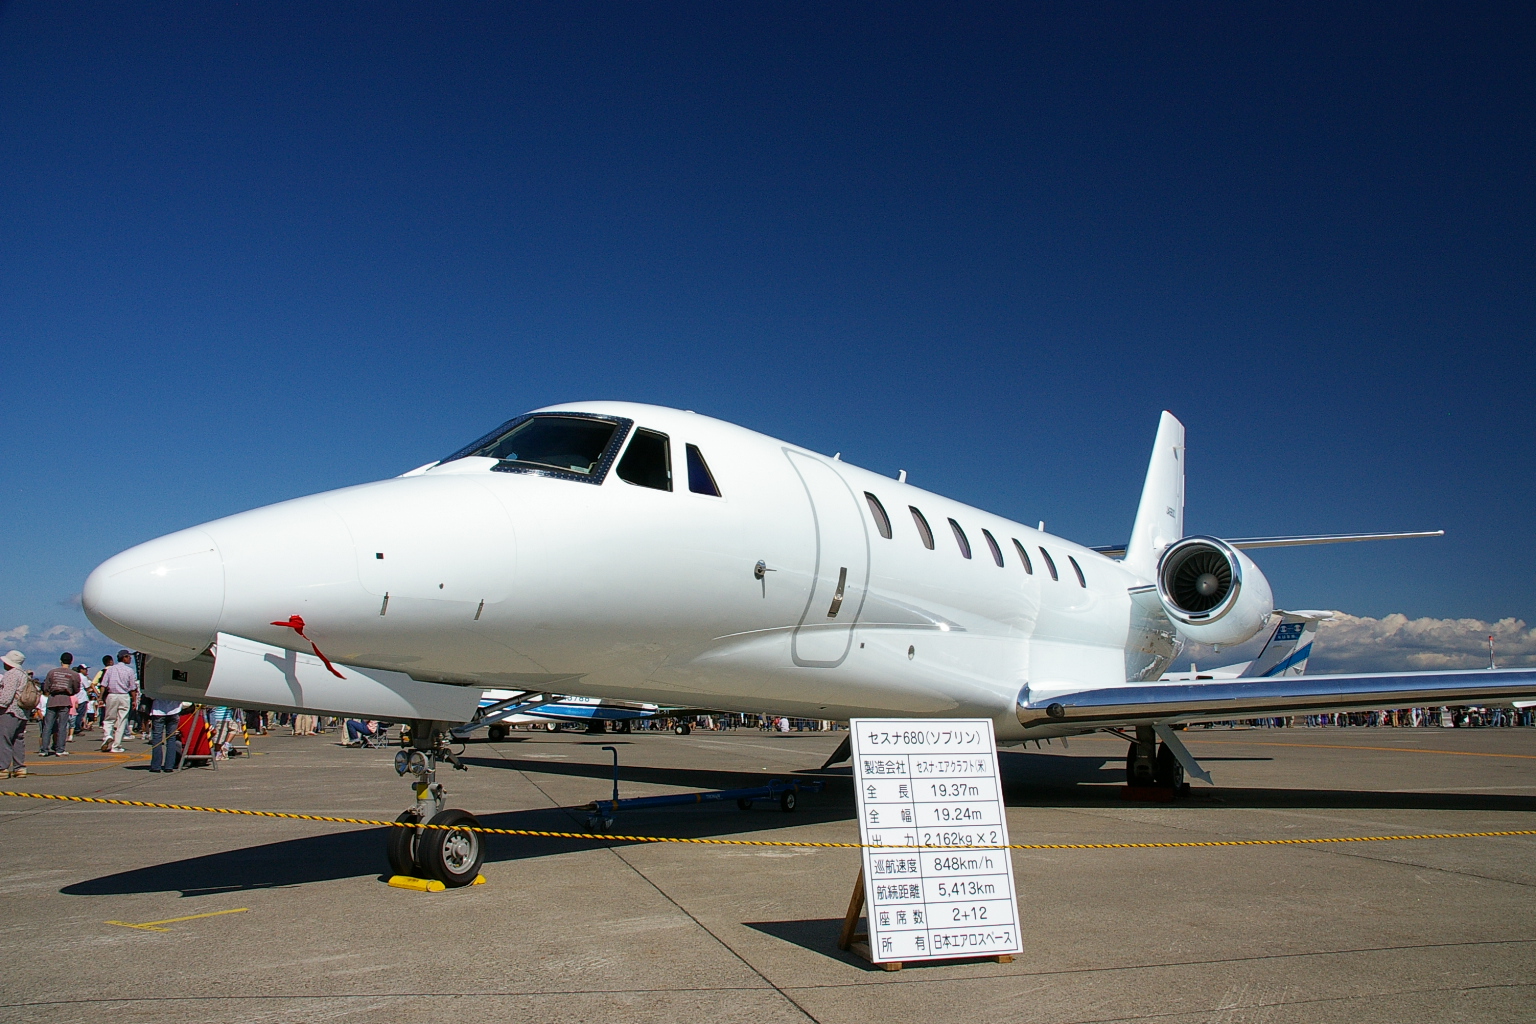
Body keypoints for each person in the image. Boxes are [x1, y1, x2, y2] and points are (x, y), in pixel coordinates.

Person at [40, 653, 81, 756]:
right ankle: (60, 749)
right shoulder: (74, 674)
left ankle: (44, 749)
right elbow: (76, 688)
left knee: (47, 726)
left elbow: (46, 687)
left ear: (60, 661)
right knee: (62, 726)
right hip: (65, 699)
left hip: (53, 698)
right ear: (71, 661)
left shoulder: (52, 672)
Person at [0, 651, 31, 778]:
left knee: (4, 739)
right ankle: (19, 767)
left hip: (10, 711)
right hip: (22, 711)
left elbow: (6, 697)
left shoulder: (11, 674)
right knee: (18, 739)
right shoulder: (24, 674)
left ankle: (3, 768)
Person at [99, 650, 137, 753]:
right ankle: (116, 745)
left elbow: (103, 685)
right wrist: (134, 700)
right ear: (124, 657)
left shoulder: (110, 670)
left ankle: (107, 735)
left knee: (109, 718)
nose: (130, 658)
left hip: (112, 695)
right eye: (128, 657)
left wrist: (100, 698)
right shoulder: (129, 671)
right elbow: (132, 688)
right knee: (122, 720)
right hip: (124, 696)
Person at [148, 697, 183, 772]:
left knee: (157, 738)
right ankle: (169, 766)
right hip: (174, 709)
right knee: (171, 738)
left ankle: (156, 766)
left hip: (158, 709)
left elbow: (151, 696)